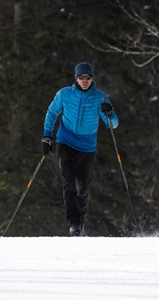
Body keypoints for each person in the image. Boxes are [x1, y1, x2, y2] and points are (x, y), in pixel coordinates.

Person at [42, 62, 118, 236]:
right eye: (81, 77)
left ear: (92, 78)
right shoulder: (64, 95)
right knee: (69, 185)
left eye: (88, 77)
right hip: (65, 142)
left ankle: (80, 223)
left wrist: (110, 113)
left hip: (87, 146)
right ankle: (74, 224)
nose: (85, 80)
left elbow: (113, 124)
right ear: (76, 78)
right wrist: (47, 136)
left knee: (83, 187)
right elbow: (52, 112)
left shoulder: (99, 97)